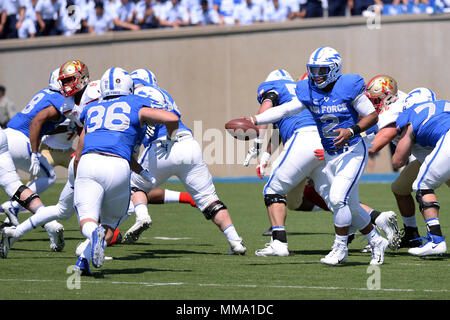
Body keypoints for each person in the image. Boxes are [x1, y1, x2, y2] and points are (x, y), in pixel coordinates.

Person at [249, 47, 389, 265]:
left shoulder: (348, 85)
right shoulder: (308, 89)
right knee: (349, 205)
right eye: (313, 70)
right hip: (330, 153)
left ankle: (340, 248)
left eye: (321, 70)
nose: (316, 75)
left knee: (336, 198)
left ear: (334, 70)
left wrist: (351, 130)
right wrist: (255, 120)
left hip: (352, 150)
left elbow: (372, 116)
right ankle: (376, 240)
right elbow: (285, 110)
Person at [125, 68, 247, 255]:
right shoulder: (164, 94)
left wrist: (166, 141)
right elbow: (174, 118)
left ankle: (141, 216)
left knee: (135, 187)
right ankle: (236, 241)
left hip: (161, 147)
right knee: (209, 200)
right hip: (188, 144)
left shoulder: (132, 98)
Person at [71, 67, 180, 275]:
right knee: (110, 224)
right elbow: (171, 118)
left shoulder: (92, 109)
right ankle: (83, 261)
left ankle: (84, 257)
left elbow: (79, 151)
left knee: (87, 220)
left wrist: (78, 178)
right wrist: (170, 139)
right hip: (118, 166)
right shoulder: (135, 102)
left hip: (88, 162)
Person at [365, 80, 442, 248]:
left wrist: (348, 145)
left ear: (388, 97)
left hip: (439, 155)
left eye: (375, 100)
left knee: (423, 187)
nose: (372, 104)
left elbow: (376, 146)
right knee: (400, 188)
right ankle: (412, 233)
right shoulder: (404, 99)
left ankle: (436, 240)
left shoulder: (393, 112)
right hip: (427, 157)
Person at [392, 97, 450, 257]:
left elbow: (398, 161)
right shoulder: (443, 105)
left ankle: (436, 240)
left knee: (422, 185)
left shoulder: (411, 114)